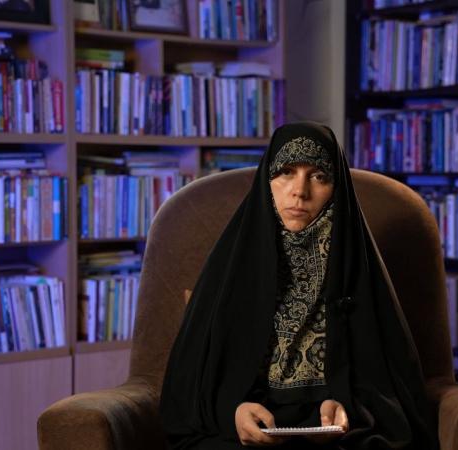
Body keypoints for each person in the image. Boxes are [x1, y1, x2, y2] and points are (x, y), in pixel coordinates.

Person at [159, 122, 438, 449]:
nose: (300, 191)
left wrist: (346, 408)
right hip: (241, 434)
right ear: (267, 180)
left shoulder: (357, 269)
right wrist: (232, 413)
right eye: (286, 172)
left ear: (336, 188)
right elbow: (185, 391)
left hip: (336, 436)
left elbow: (390, 390)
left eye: (318, 176)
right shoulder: (230, 266)